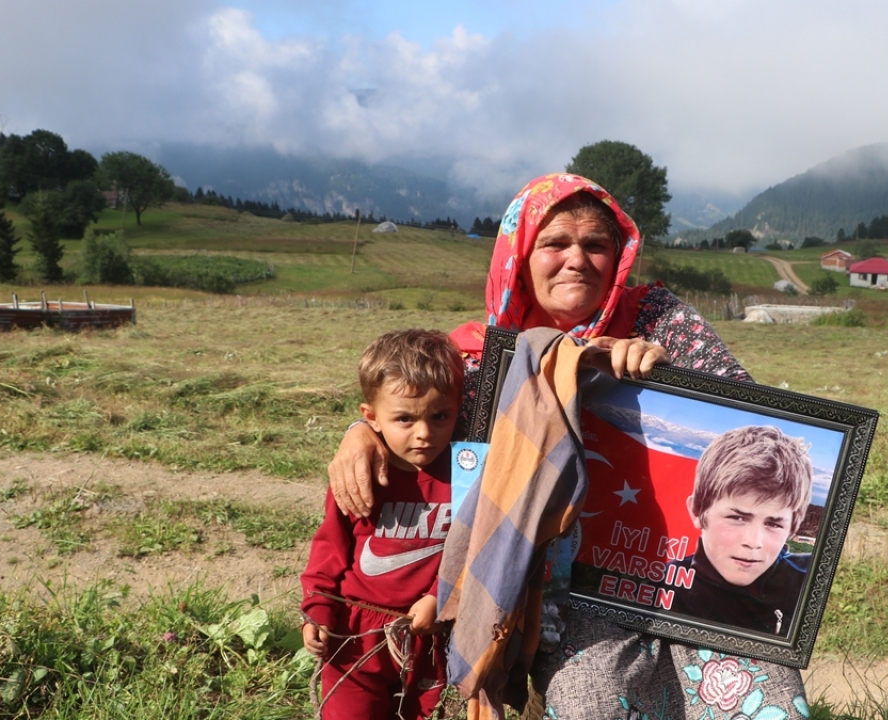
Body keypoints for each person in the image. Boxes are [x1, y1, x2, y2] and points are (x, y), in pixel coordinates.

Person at [326, 173, 809, 719]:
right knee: (591, 701)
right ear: (520, 256)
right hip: (566, 593)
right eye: (555, 243)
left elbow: (747, 414)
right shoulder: (480, 357)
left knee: (764, 702)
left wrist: (665, 379)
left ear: (618, 256)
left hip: (695, 576)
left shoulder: (658, 319)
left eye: (595, 245)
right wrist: (359, 433)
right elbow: (418, 425)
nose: (576, 259)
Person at [300, 329, 463, 720]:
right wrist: (318, 608)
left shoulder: (468, 473)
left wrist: (441, 598)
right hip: (355, 635)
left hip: (430, 636)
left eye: (440, 416)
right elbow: (330, 547)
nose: (424, 433)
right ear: (370, 417)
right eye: (404, 418)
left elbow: (479, 549)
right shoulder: (360, 475)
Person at [669, 425, 814, 636]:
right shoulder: (658, 590)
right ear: (697, 512)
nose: (753, 541)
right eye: (737, 518)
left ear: (793, 528)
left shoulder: (810, 581)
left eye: (773, 524)